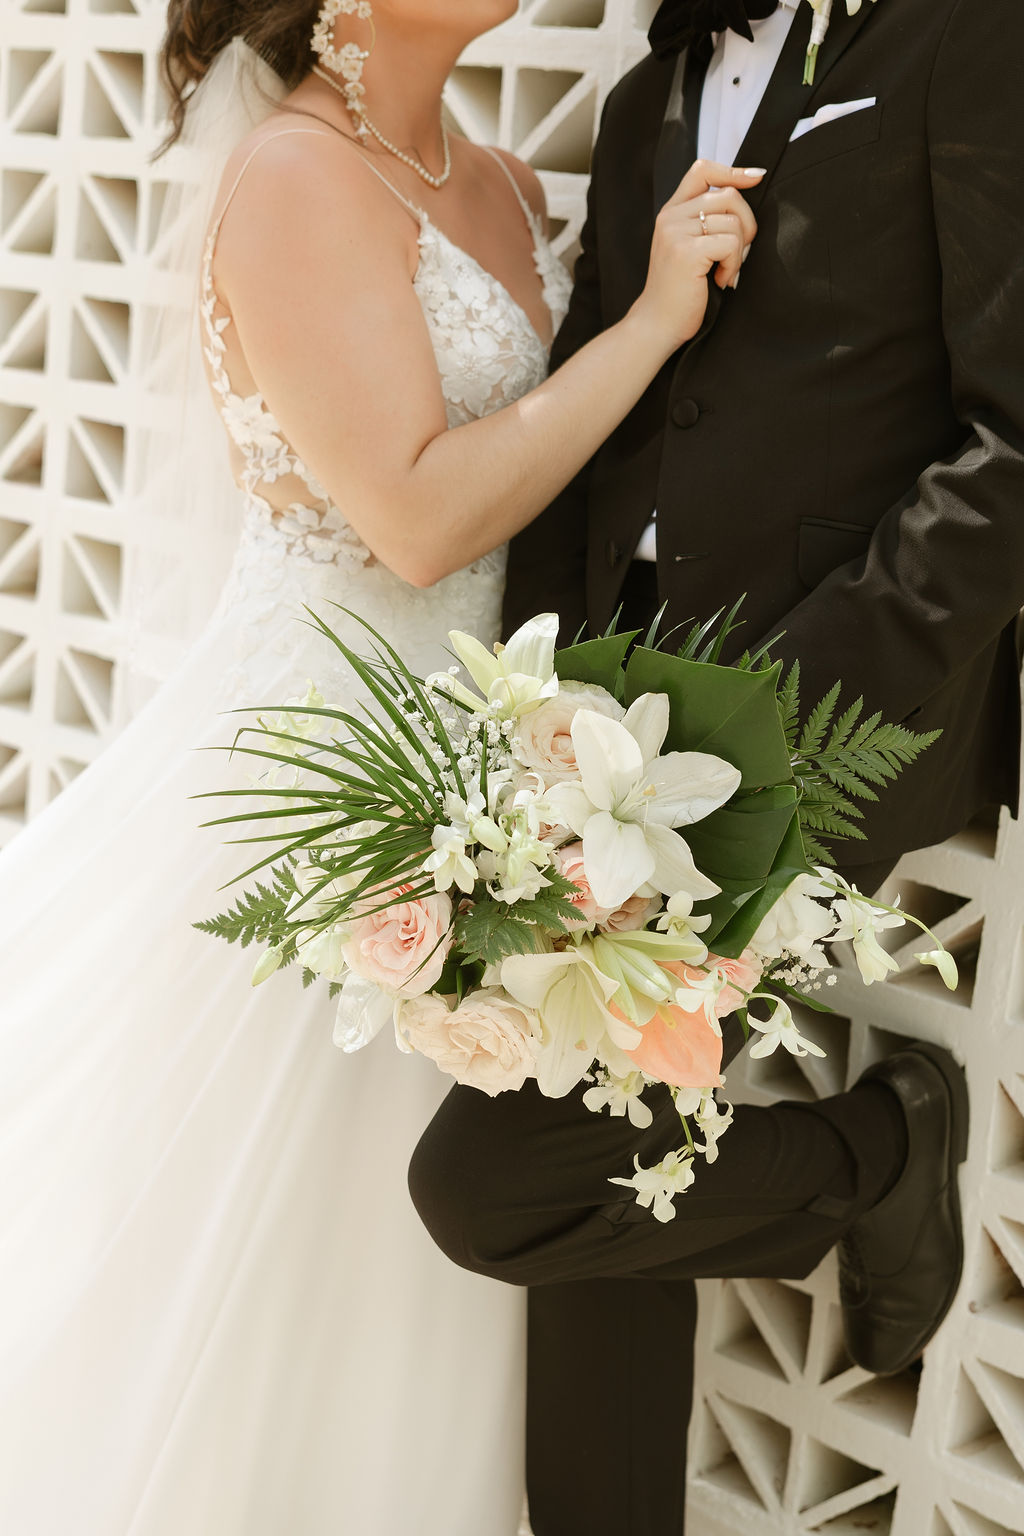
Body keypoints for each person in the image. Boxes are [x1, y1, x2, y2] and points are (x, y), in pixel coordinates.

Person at [0, 2, 764, 1531]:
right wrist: (653, 322)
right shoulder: (293, 175)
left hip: (476, 776)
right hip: (324, 774)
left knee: (410, 1263)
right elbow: (414, 517)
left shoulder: (495, 179)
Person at [409, 1, 1024, 1533]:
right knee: (592, 1143)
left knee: (498, 1179)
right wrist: (529, 715)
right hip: (598, 730)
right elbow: (605, 430)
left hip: (829, 718)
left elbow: (1011, 438)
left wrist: (807, 700)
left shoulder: (969, 35)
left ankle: (874, 1153)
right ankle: (867, 1165)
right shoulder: (642, 101)